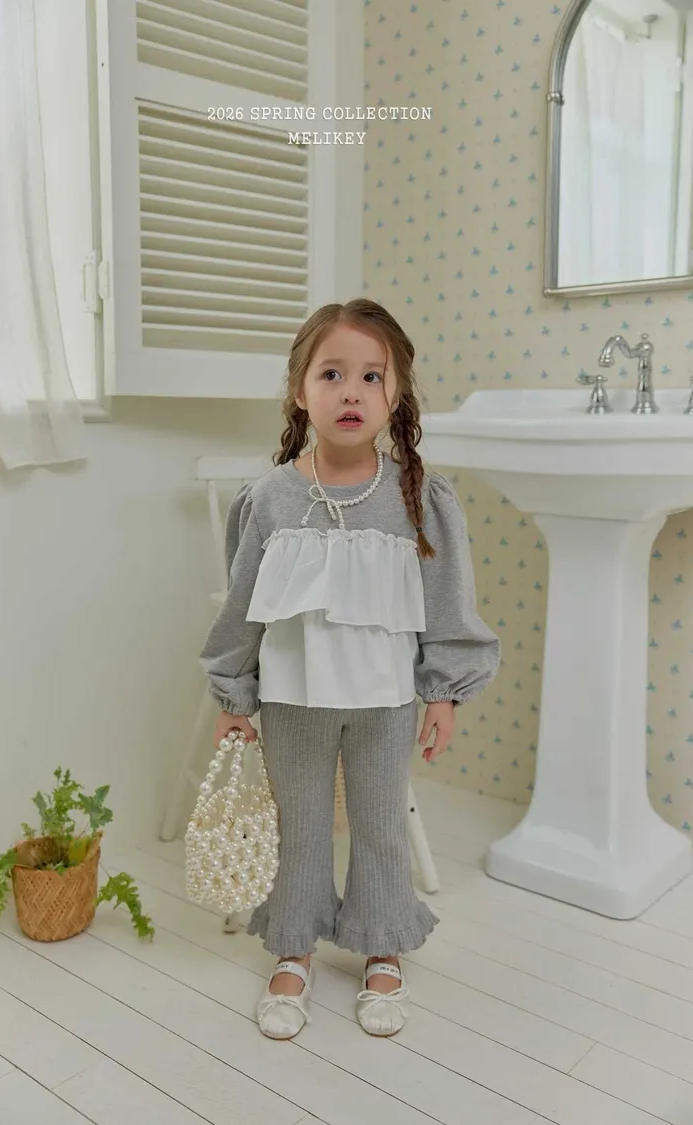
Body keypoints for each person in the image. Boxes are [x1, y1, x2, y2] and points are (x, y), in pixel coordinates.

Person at [199, 298, 501, 1041]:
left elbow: (446, 603)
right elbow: (242, 605)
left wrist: (443, 693)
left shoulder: (417, 497)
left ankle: (381, 943)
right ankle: (294, 946)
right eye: (331, 374)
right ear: (300, 390)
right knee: (300, 825)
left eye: (371, 375)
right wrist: (233, 692)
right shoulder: (271, 498)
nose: (351, 391)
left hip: (385, 700)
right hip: (292, 699)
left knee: (380, 825)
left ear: (396, 394)